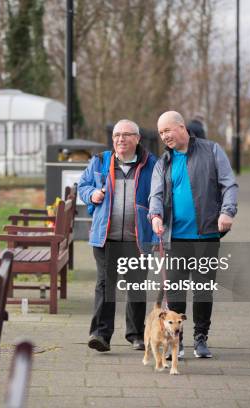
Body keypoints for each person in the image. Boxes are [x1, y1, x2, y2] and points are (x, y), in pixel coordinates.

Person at [149, 111, 238, 359]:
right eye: (161, 133)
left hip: (207, 236)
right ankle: (176, 342)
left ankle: (201, 338)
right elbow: (155, 195)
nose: (164, 136)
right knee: (175, 292)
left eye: (167, 130)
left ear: (181, 127)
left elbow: (229, 184)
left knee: (203, 290)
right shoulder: (163, 162)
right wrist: (155, 216)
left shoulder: (211, 151)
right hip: (175, 239)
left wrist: (227, 212)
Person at [79, 119, 157, 352]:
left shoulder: (151, 164)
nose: (120, 139)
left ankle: (135, 335)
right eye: (116, 135)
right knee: (105, 285)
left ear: (137, 138)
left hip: (137, 236)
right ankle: (100, 335)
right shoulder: (100, 161)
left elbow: (161, 193)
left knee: (136, 286)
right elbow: (82, 186)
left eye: (126, 135)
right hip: (106, 236)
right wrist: (92, 194)